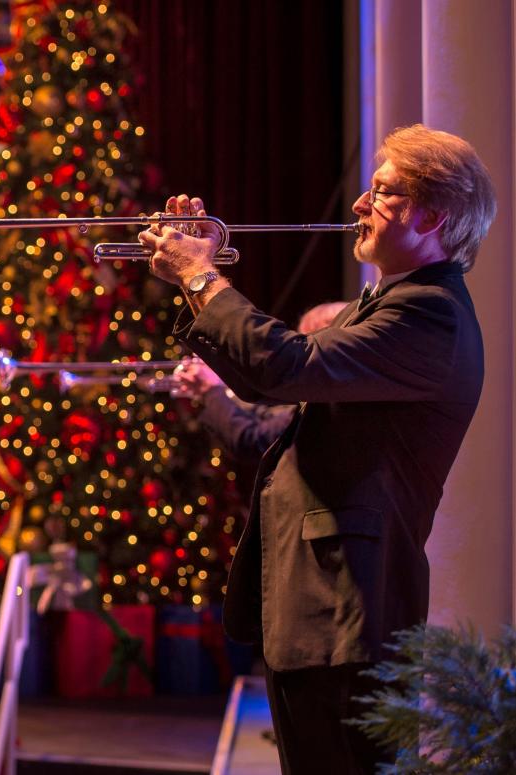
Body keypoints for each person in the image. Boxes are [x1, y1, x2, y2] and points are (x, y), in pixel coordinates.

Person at [138, 124, 494, 774]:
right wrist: (200, 271)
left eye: (380, 192)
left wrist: (198, 275)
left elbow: (282, 364)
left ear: (431, 217)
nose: (357, 204)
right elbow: (276, 397)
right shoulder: (391, 304)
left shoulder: (428, 315)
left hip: (345, 612)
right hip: (320, 612)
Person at [174, 301, 348, 493]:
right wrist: (221, 387)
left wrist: (211, 390)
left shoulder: (329, 401)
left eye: (304, 345)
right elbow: (267, 414)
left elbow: (250, 440)